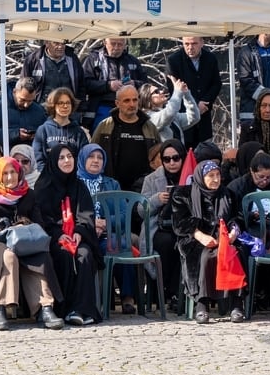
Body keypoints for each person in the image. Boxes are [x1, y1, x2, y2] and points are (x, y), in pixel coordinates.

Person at [0, 156, 64, 330]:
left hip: (22, 240)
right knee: (8, 255)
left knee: (38, 255)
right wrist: (0, 233)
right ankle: (0, 307)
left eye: (13, 172)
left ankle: (45, 308)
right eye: (5, 173)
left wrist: (24, 223)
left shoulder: (28, 193)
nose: (9, 177)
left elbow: (40, 224)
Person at [33, 144, 102, 325]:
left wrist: (79, 232)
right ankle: (62, 309)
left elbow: (87, 214)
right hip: (54, 239)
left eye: (70, 157)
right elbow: (42, 218)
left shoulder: (79, 186)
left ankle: (82, 310)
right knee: (63, 255)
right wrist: (58, 235)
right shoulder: (43, 187)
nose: (67, 161)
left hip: (77, 237)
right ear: (54, 161)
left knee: (85, 255)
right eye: (62, 158)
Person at [171, 160, 248, 323]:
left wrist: (233, 231)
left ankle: (236, 304)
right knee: (205, 257)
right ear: (201, 177)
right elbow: (180, 223)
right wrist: (200, 236)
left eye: (218, 175)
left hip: (225, 239)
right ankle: (202, 304)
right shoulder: (183, 194)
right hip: (196, 240)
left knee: (234, 254)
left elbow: (238, 218)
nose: (215, 179)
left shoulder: (228, 194)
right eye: (210, 176)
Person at [76, 143, 137, 314]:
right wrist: (91, 223)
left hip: (106, 235)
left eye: (100, 157)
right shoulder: (74, 183)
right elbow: (70, 212)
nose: (96, 161)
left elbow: (124, 215)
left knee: (121, 244)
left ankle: (127, 297)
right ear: (82, 159)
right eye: (91, 157)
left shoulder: (112, 184)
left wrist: (105, 223)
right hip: (82, 235)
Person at [140, 139, 186, 311]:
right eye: (167, 159)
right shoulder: (152, 179)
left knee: (184, 244)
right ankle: (166, 291)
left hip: (184, 227)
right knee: (166, 243)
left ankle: (177, 293)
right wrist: (156, 200)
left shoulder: (189, 176)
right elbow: (140, 209)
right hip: (159, 227)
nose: (172, 163)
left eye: (176, 158)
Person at [91, 84, 161, 192]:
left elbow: (158, 158)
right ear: (117, 103)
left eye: (135, 100)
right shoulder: (104, 126)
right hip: (111, 189)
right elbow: (91, 155)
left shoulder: (150, 127)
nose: (132, 104)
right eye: (126, 101)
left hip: (143, 189)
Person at [165, 36, 222, 144]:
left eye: (194, 43)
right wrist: (195, 105)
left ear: (202, 43)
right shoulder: (173, 60)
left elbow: (216, 84)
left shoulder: (210, 58)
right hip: (184, 116)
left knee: (205, 152)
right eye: (186, 44)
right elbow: (174, 89)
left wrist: (205, 102)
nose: (190, 47)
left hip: (204, 113)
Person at [82, 37, 147, 129]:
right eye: (113, 43)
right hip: (102, 106)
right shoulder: (93, 59)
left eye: (120, 44)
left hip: (129, 107)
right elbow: (85, 84)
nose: (116, 47)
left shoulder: (133, 61)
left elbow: (146, 85)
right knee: (101, 137)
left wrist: (134, 84)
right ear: (105, 42)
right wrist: (108, 85)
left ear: (125, 44)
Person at [235, 33, 270, 128]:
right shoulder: (245, 53)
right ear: (265, 31)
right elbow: (246, 82)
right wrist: (269, 97)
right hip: (252, 115)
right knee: (255, 143)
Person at [0, 76, 46, 147]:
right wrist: (15, 134)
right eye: (22, 100)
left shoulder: (39, 110)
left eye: (30, 101)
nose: (26, 105)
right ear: (14, 91)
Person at [32, 87, 87, 172]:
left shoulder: (79, 132)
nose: (65, 106)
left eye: (68, 103)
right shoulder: (43, 130)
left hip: (72, 179)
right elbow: (38, 158)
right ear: (53, 105)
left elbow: (83, 158)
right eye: (60, 103)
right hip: (48, 178)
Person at [239, 88, 270, 181]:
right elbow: (244, 155)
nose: (267, 110)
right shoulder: (247, 128)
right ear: (258, 107)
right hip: (255, 177)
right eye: (264, 105)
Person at [21, 40, 85, 104]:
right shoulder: (33, 60)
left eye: (63, 44)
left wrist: (81, 105)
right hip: (41, 108)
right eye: (56, 43)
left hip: (67, 108)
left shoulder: (72, 59)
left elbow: (81, 84)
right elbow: (24, 85)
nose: (60, 47)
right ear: (47, 43)